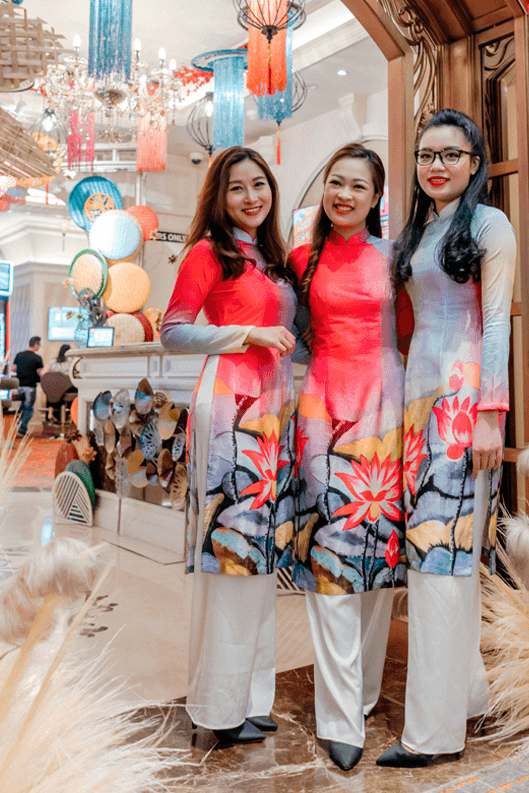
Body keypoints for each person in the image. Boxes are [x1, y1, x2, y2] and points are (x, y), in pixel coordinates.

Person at [378, 110, 516, 768]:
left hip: (463, 404)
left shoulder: (489, 226)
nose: (436, 165)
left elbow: (495, 326)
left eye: (451, 155)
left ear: (473, 160)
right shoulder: (418, 230)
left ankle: (430, 734)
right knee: (438, 558)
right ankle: (466, 696)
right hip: (416, 401)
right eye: (426, 155)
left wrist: (492, 412)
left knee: (440, 559)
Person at [159, 146, 296, 746]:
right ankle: (219, 703)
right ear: (219, 197)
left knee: (259, 561)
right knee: (234, 556)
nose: (251, 197)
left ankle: (251, 695)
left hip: (274, 412)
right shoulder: (207, 253)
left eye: (259, 184)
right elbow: (174, 330)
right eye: (237, 188)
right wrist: (248, 332)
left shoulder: (273, 257)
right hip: (231, 412)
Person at [286, 144, 403, 771]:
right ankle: (337, 714)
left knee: (380, 559)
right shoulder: (302, 258)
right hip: (323, 410)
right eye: (336, 181)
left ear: (376, 198)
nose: (346, 194)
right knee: (330, 561)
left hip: (385, 407)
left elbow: (410, 330)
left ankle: (361, 692)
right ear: (324, 187)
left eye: (360, 186)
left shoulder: (394, 258)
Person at [10, 336, 46, 437]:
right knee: (28, 409)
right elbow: (40, 372)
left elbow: (13, 368)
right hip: (30, 386)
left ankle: (17, 426)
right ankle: (22, 430)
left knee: (21, 407)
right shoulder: (37, 358)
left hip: (19, 386)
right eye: (39, 345)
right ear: (36, 345)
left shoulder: (19, 355)